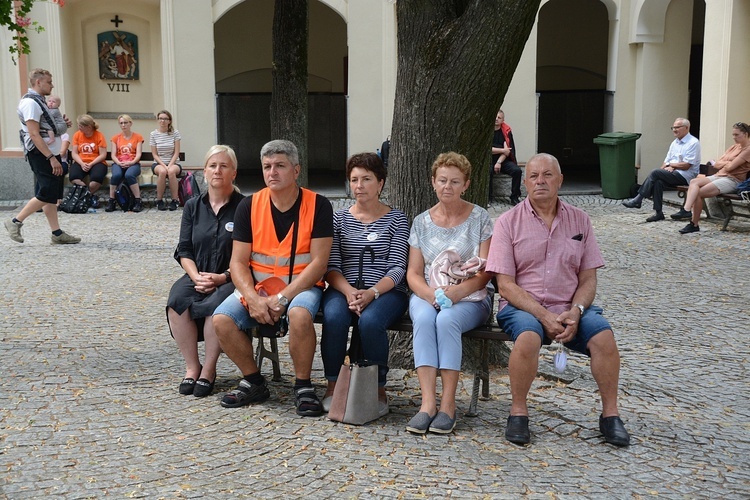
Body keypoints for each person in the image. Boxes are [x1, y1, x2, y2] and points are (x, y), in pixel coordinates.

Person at [488, 153, 630, 447]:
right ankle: (518, 413)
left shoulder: (581, 220)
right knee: (527, 338)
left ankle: (611, 415)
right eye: (534, 176)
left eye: (548, 175)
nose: (540, 181)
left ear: (560, 180)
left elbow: (588, 279)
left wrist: (576, 311)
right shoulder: (507, 223)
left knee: (604, 338)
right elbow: (505, 285)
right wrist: (543, 315)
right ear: (525, 183)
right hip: (523, 307)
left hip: (570, 307)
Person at [213, 140, 333, 416]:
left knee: (301, 315)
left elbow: (319, 263)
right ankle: (254, 380)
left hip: (302, 286)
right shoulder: (249, 206)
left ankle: (303, 385)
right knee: (221, 319)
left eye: (280, 166)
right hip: (258, 287)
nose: (272, 172)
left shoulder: (318, 205)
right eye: (267, 167)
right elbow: (238, 262)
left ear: (296, 170)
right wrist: (253, 299)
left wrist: (283, 297)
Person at [405, 152, 494, 435]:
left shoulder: (480, 217)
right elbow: (413, 273)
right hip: (429, 292)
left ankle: (448, 405)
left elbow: (486, 272)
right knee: (423, 318)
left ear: (466, 184)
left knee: (446, 321)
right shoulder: (421, 222)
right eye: (442, 180)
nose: (448, 186)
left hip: (471, 296)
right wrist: (432, 296)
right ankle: (427, 403)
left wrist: (456, 293)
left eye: (455, 181)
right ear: (433, 182)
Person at [320, 152, 409, 416]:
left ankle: (377, 388)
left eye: (366, 179)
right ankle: (332, 384)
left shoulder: (397, 219)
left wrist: (371, 293)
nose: (359, 186)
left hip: (386, 291)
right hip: (343, 288)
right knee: (334, 316)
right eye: (354, 179)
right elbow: (331, 266)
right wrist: (349, 292)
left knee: (370, 321)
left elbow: (398, 267)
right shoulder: (338, 219)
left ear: (380, 183)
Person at [167, 145, 244, 397]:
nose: (217, 171)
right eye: (213, 165)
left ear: (234, 173)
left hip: (232, 276)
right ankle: (192, 367)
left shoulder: (245, 207)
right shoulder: (192, 206)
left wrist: (223, 277)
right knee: (177, 299)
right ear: (204, 171)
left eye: (224, 166)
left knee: (217, 304)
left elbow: (250, 254)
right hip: (197, 272)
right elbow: (184, 248)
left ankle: (209, 369)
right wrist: (195, 276)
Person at [5, 68, 79, 245]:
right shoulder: (31, 103)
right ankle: (15, 222)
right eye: (49, 82)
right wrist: (51, 158)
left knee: (50, 193)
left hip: (46, 153)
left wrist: (61, 125)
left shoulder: (40, 102)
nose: (52, 85)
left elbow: (44, 128)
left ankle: (57, 233)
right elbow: (34, 134)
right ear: (38, 82)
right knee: (46, 192)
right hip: (40, 154)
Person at [676, 122, 750, 234]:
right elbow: (716, 163)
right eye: (733, 135)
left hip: (732, 180)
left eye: (736, 135)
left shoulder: (747, 150)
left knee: (699, 193)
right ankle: (686, 210)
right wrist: (728, 162)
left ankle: (693, 223)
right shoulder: (733, 147)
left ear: (745, 134)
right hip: (719, 175)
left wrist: (725, 163)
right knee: (694, 181)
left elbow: (730, 167)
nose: (734, 137)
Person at [622, 117, 701, 222]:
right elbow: (666, 161)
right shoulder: (675, 143)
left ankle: (638, 199)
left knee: (655, 173)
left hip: (685, 176)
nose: (674, 130)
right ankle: (658, 213)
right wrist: (663, 170)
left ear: (686, 128)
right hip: (673, 174)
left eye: (677, 127)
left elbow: (686, 165)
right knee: (658, 180)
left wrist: (671, 166)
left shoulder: (693, 143)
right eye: (673, 127)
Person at [106, 114, 144, 213]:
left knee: (129, 175)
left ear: (130, 123)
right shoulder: (115, 138)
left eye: (125, 123)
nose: (123, 125)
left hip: (133, 163)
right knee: (116, 175)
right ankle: (111, 201)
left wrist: (131, 162)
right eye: (121, 123)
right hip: (119, 163)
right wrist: (119, 163)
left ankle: (137, 200)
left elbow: (138, 154)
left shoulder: (138, 137)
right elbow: (113, 155)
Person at [70, 114, 108, 208]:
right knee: (74, 178)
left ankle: (84, 197)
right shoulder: (77, 135)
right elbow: (74, 153)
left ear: (89, 127)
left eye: (81, 126)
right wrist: (82, 163)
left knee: (95, 181)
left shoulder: (99, 136)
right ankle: (88, 196)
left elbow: (103, 155)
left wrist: (91, 164)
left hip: (97, 162)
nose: (79, 127)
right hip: (81, 161)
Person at [150, 110, 182, 211]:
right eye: (160, 118)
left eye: (165, 119)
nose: (162, 121)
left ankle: (174, 200)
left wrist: (170, 165)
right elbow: (154, 154)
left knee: (171, 171)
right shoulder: (153, 134)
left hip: (174, 162)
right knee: (163, 172)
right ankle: (159, 200)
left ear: (169, 121)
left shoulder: (175, 133)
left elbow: (176, 152)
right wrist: (164, 165)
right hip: (159, 163)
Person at [490, 110, 523, 205]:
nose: (496, 119)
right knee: (488, 172)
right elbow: (487, 150)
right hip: (489, 161)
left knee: (517, 171)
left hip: (503, 160)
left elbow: (508, 150)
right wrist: (502, 150)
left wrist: (499, 162)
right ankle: (489, 197)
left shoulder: (506, 132)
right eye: (495, 117)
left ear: (503, 120)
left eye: (499, 117)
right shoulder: (487, 132)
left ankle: (514, 197)